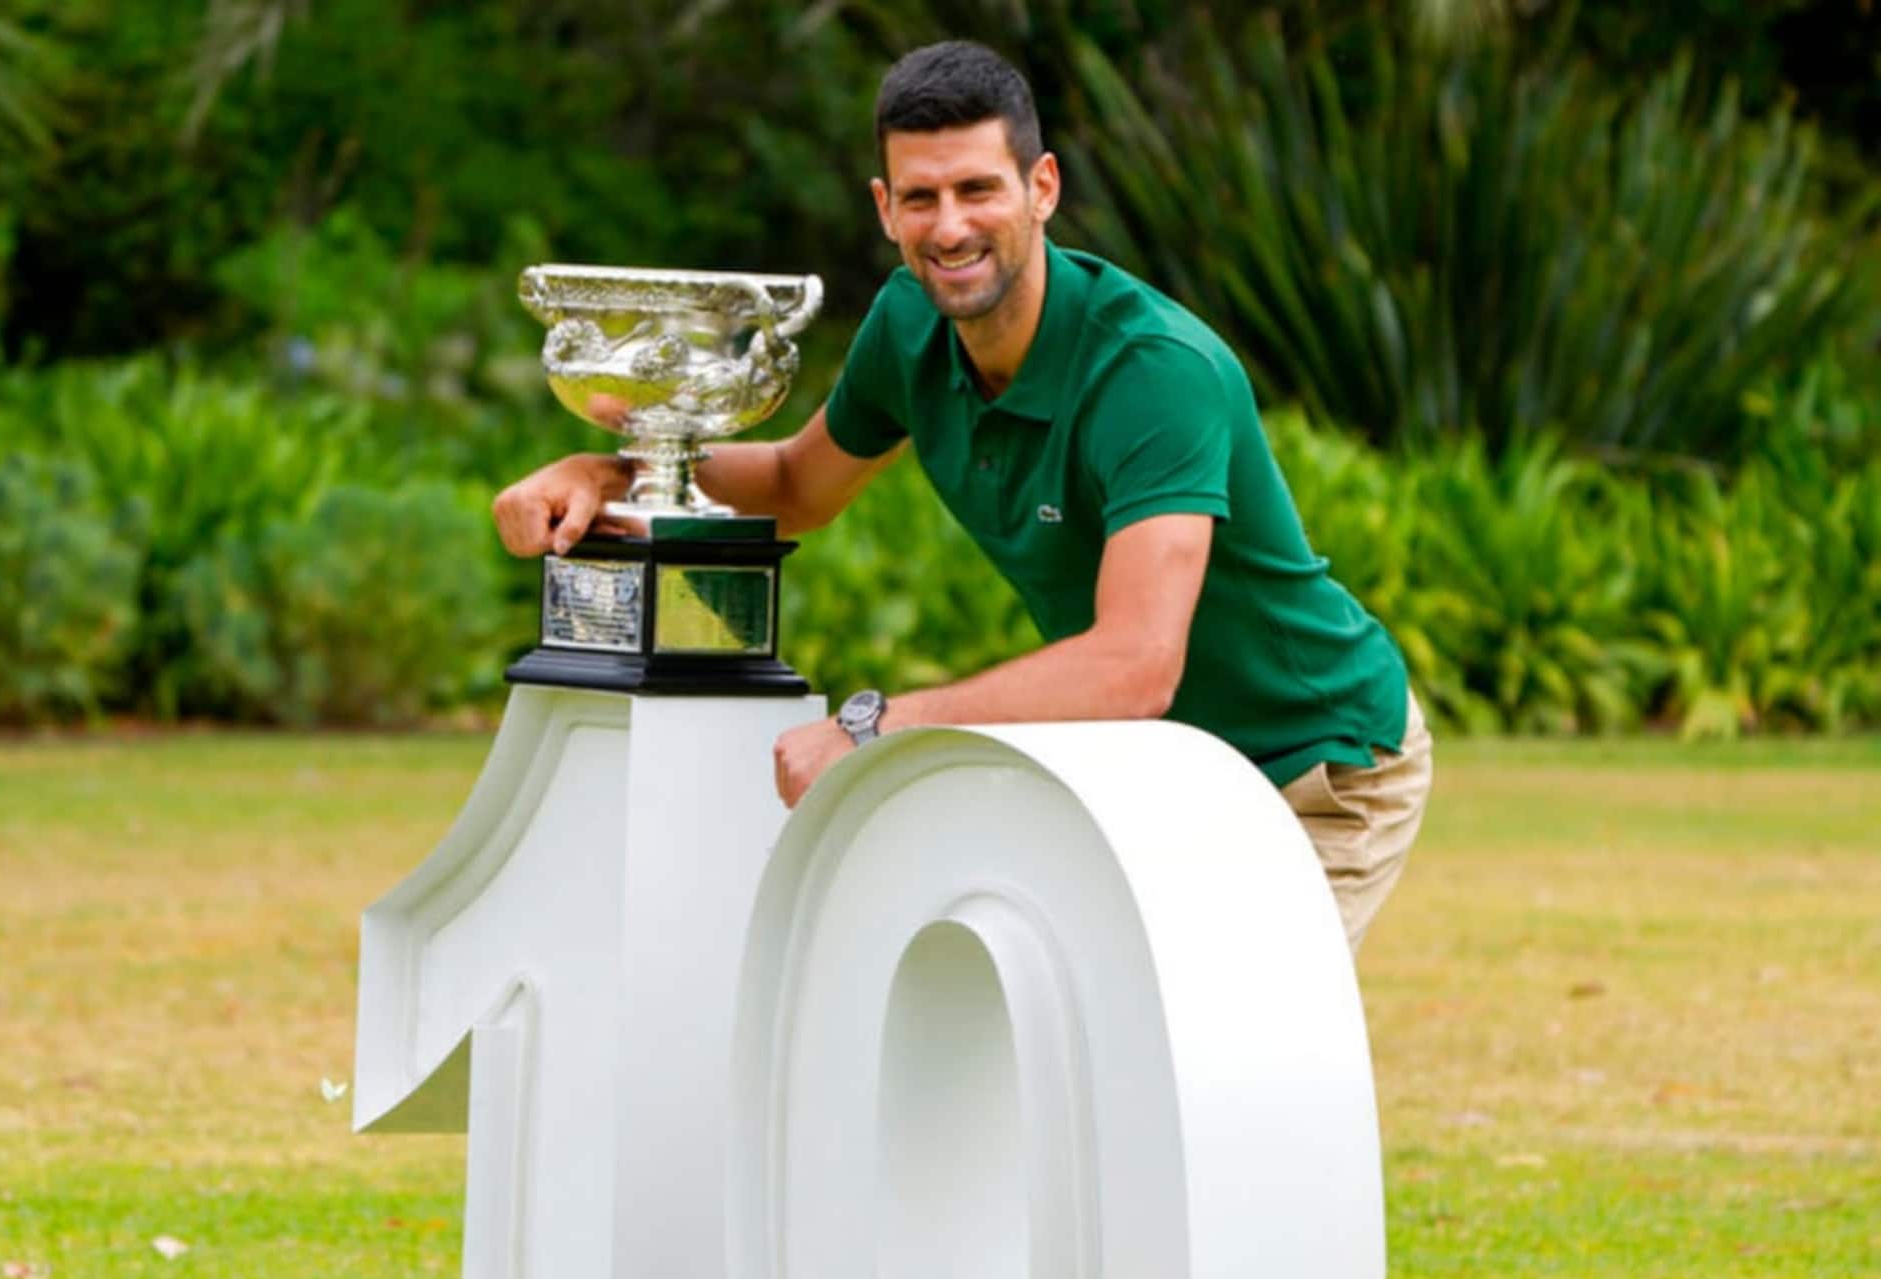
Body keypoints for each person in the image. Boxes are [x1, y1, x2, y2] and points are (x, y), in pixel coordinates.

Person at [492, 41, 1431, 950]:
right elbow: (793, 485)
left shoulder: (1152, 372)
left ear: (1043, 188)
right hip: (1162, 766)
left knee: (1226, 1060)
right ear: (883, 208)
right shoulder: (908, 326)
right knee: (1089, 1038)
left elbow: (1136, 663)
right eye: (921, 197)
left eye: (979, 188)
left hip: (1318, 761)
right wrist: (616, 472)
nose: (950, 227)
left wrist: (872, 728)